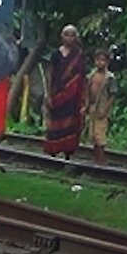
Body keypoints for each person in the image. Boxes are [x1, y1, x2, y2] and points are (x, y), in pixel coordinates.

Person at [43, 24, 87, 159]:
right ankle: (53, 150)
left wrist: (85, 99)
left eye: (72, 35)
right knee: (55, 121)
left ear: (76, 37)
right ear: (62, 37)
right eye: (66, 35)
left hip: (73, 96)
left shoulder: (79, 55)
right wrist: (48, 93)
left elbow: (82, 77)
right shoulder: (56, 54)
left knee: (70, 123)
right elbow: (50, 73)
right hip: (57, 93)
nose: (69, 38)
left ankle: (68, 151)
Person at [83, 48, 118, 165]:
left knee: (100, 136)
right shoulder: (91, 75)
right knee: (93, 135)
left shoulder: (110, 77)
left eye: (102, 60)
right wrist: (86, 105)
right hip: (92, 108)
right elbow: (87, 91)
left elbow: (112, 95)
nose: (100, 63)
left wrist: (106, 109)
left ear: (107, 62)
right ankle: (95, 159)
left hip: (102, 109)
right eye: (98, 60)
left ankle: (101, 160)